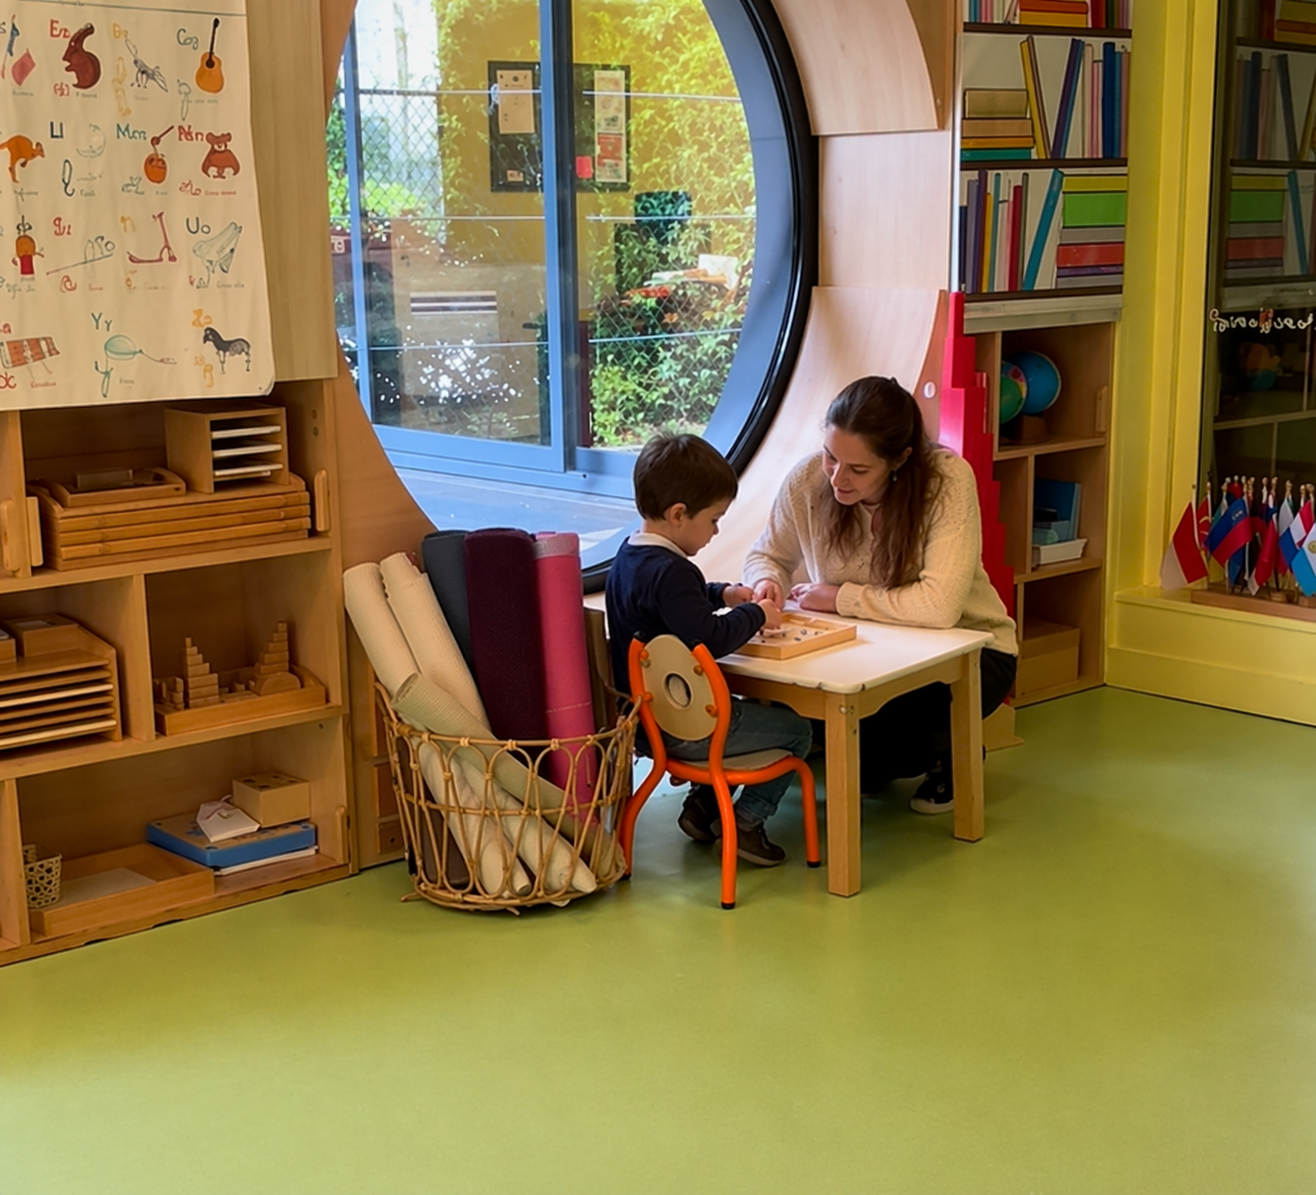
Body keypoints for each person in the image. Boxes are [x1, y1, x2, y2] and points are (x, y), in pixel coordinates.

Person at [742, 376, 1018, 814]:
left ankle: (952, 749)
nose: (837, 477)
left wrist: (840, 598)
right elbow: (766, 554)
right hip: (864, 651)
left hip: (974, 652)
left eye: (858, 469)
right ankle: (914, 745)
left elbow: (939, 607)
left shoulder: (946, 481)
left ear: (901, 460)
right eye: (831, 457)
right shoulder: (809, 478)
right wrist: (765, 582)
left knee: (872, 758)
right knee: (825, 737)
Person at [607, 433, 815, 865]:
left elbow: (672, 606)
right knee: (798, 731)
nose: (717, 531)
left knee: (729, 708)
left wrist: (723, 594)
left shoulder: (628, 556)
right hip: (687, 731)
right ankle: (746, 822)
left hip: (648, 724)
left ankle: (702, 809)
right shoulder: (673, 571)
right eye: (715, 519)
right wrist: (758, 614)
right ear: (679, 514)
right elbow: (712, 638)